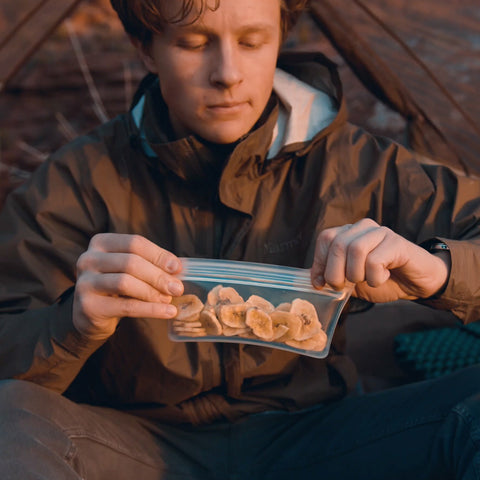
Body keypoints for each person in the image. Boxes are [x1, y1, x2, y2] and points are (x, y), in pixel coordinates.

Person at [0, 0, 479, 478]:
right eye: (193, 43)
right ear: (145, 49)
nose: (228, 74)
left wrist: (440, 272)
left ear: (279, 40)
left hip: (319, 436)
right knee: (11, 413)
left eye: (252, 42)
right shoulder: (75, 181)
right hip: (133, 443)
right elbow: (10, 351)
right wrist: (71, 324)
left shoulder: (356, 164)